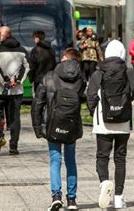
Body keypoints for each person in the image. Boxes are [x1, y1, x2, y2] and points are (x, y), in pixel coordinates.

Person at [86, 40, 134, 209]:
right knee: (120, 158)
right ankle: (118, 197)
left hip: (103, 121)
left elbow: (91, 96)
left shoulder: (98, 73)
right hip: (124, 120)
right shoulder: (129, 72)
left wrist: (95, 112)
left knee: (102, 156)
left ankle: (104, 182)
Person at [31, 48, 86, 211]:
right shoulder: (80, 79)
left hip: (52, 124)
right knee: (71, 160)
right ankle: (72, 199)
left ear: (63, 58)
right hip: (71, 125)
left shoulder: (49, 77)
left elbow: (37, 104)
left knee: (55, 160)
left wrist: (37, 127)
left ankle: (56, 196)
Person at [0, 26, 29, 155]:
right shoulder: (22, 50)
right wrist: (16, 81)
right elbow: (27, 67)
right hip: (16, 91)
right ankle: (14, 146)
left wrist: (5, 81)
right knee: (14, 118)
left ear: (2, 36)